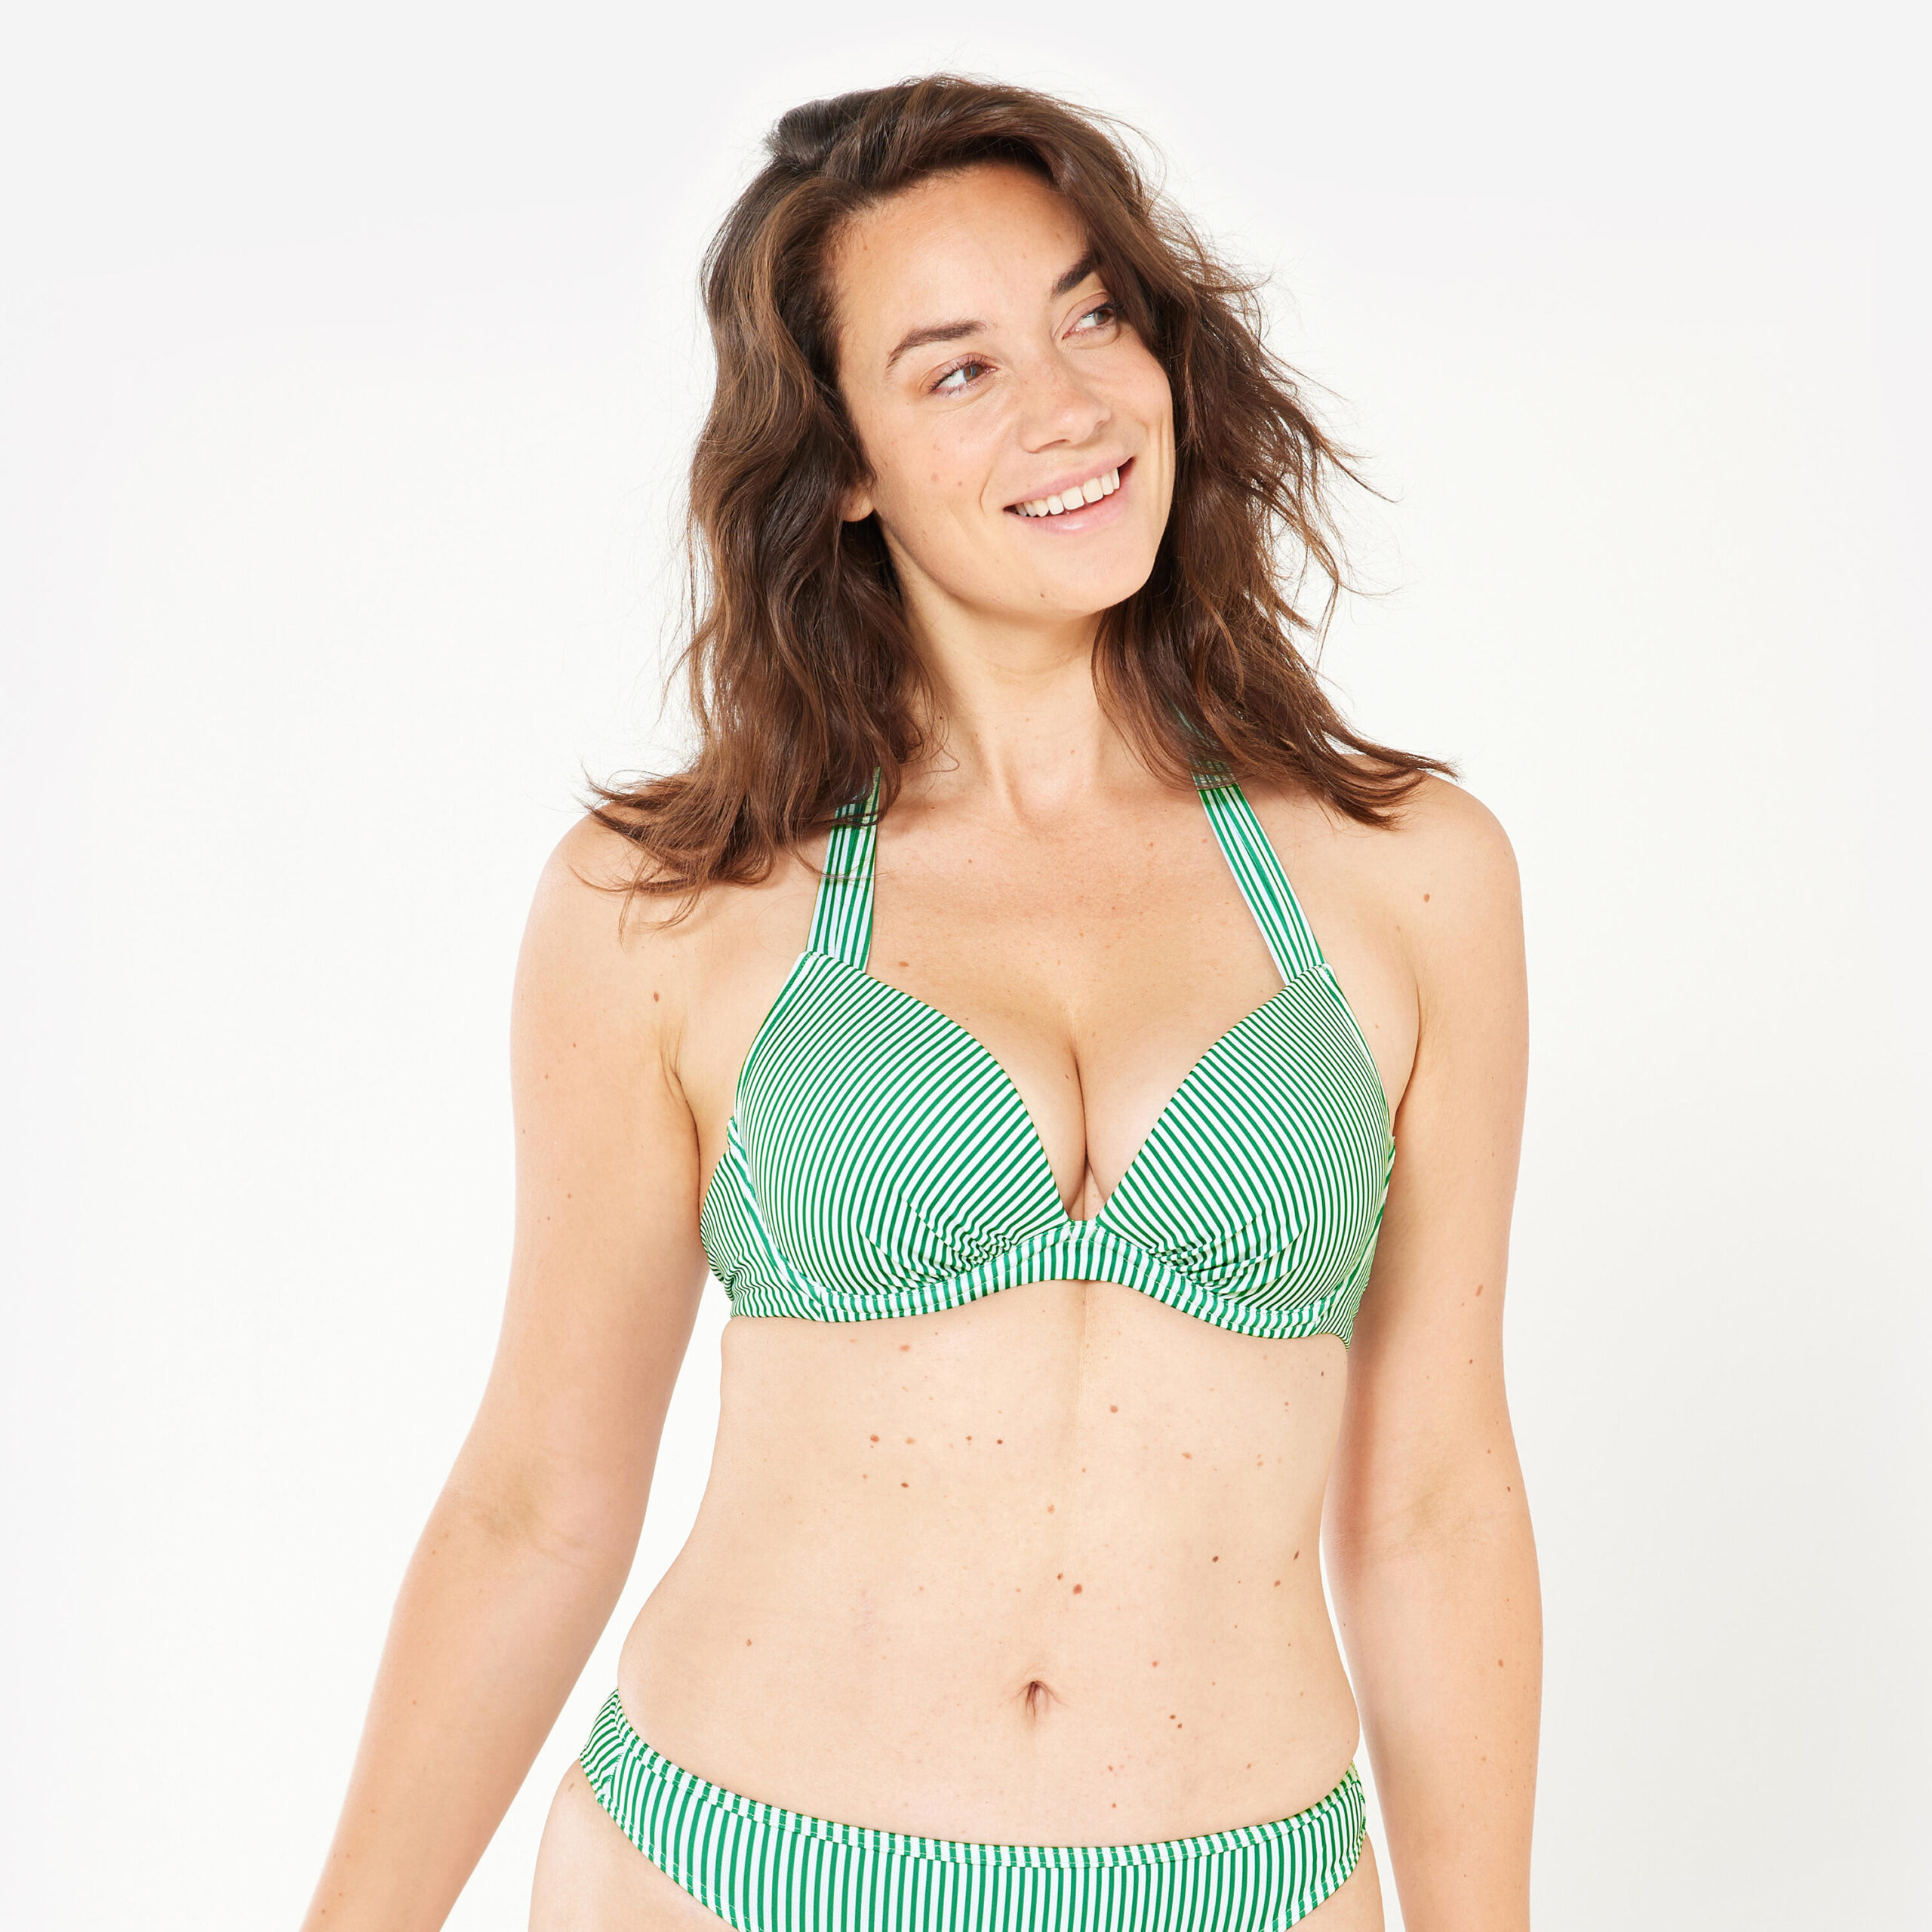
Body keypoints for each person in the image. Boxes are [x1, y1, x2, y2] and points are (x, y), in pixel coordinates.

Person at [300, 74, 1540, 1932]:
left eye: (1090, 318)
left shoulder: (1407, 873)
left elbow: (1434, 1498)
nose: (1067, 406)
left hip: (1250, 1886)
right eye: (956, 369)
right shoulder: (669, 904)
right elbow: (539, 1497)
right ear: (845, 462)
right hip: (731, 1876)